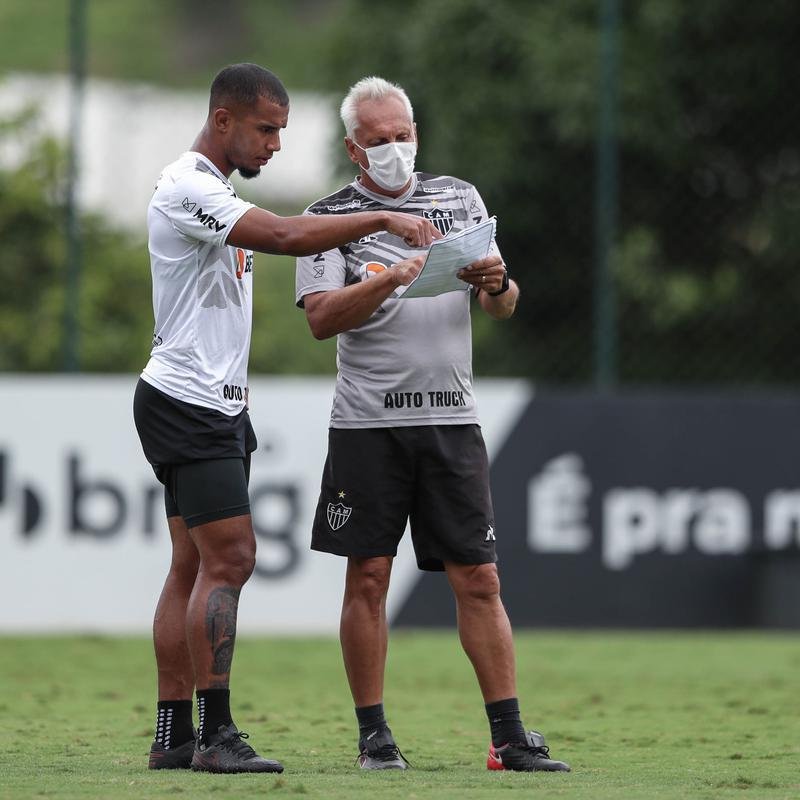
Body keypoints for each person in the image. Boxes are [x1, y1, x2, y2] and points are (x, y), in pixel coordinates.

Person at [133, 63, 439, 775]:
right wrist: (384, 217)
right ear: (223, 121)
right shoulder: (189, 186)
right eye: (266, 129)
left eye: (280, 131)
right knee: (233, 559)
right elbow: (286, 235)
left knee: (192, 565)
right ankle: (216, 737)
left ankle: (173, 733)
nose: (275, 144)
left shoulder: (214, 191)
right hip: (189, 402)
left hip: (210, 403)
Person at [295, 76, 570, 774]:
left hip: (453, 419)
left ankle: (508, 738)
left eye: (403, 135)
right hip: (367, 424)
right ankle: (373, 736)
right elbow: (322, 319)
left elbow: (502, 309)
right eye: (379, 141)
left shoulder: (461, 198)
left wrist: (497, 283)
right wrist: (387, 278)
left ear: (417, 133)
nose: (394, 149)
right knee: (369, 576)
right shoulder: (329, 216)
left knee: (479, 579)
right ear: (355, 150)